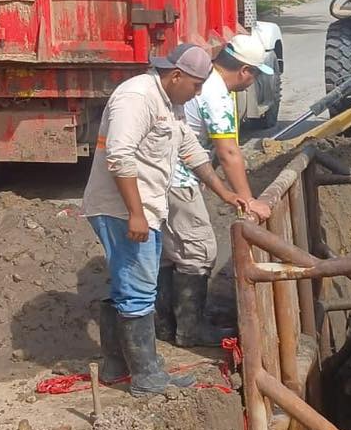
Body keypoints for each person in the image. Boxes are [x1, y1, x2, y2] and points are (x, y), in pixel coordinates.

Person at [81, 43, 247, 398]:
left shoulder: (171, 103)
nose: (198, 93)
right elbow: (119, 155)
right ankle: (147, 378)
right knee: (139, 290)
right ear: (176, 76)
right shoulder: (137, 98)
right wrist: (136, 213)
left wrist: (225, 193)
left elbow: (190, 150)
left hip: (144, 208)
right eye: (196, 85)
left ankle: (116, 367)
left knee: (129, 286)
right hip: (121, 209)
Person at [156, 33, 273, 347]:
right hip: (177, 179)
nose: (252, 82)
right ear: (245, 71)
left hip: (160, 175)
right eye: (255, 75)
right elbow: (228, 151)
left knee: (169, 252)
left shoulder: (202, 83)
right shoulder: (216, 92)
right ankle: (190, 331)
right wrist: (247, 199)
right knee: (200, 251)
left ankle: (164, 327)